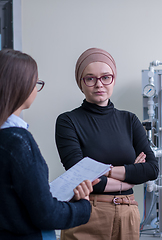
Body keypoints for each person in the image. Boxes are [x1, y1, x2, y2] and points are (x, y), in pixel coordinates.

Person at [55, 48, 159, 240]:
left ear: (114, 79)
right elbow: (80, 176)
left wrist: (105, 171)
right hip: (87, 213)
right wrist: (131, 176)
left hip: (128, 213)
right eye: (90, 78)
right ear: (81, 82)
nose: (99, 84)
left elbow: (152, 169)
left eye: (105, 77)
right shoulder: (68, 121)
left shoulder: (129, 120)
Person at [0, 49, 98, 240]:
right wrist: (83, 205)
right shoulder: (18, 141)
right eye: (36, 83)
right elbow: (45, 214)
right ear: (21, 86)